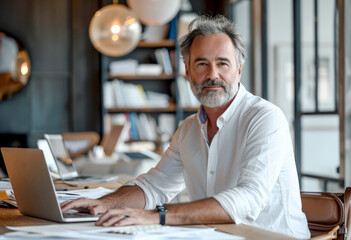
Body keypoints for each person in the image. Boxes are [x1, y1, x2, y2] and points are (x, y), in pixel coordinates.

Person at [61, 15, 310, 239]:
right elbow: (154, 186)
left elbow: (248, 199)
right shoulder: (189, 129)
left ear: (239, 71)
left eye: (223, 63)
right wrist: (104, 204)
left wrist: (157, 216)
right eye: (201, 64)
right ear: (188, 73)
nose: (213, 74)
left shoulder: (266, 118)